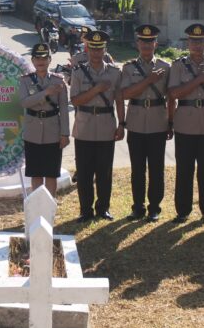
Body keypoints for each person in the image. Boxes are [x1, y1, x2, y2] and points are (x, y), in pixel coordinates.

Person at [168, 23, 204, 224]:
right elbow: (174, 94)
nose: (197, 44)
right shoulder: (178, 65)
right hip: (184, 123)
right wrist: (199, 79)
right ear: (188, 42)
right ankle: (182, 211)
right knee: (184, 169)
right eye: (193, 41)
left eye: (201, 41)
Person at [120, 24, 173, 222]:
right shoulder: (128, 67)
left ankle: (154, 208)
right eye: (143, 41)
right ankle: (138, 207)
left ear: (156, 44)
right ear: (137, 44)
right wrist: (148, 80)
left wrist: (171, 122)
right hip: (135, 121)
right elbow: (125, 94)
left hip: (158, 121)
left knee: (157, 168)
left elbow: (172, 96)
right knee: (137, 169)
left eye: (150, 42)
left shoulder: (166, 67)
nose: (147, 45)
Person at [69, 30, 124, 222]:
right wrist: (96, 89)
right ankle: (85, 210)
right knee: (84, 171)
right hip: (84, 124)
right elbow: (75, 100)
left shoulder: (115, 72)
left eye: (100, 49)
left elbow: (118, 99)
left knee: (104, 171)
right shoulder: (77, 72)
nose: (96, 52)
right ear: (87, 48)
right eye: (92, 48)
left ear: (104, 49)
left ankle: (103, 208)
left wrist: (122, 124)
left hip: (106, 124)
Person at [18, 43, 71, 197]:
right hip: (32, 132)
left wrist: (65, 134)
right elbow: (24, 102)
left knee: (51, 173)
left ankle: (50, 205)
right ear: (32, 61)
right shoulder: (25, 81)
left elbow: (64, 109)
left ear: (50, 60)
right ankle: (37, 205)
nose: (40, 61)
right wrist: (46, 93)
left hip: (53, 132)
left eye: (44, 58)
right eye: (37, 58)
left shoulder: (58, 80)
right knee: (36, 173)